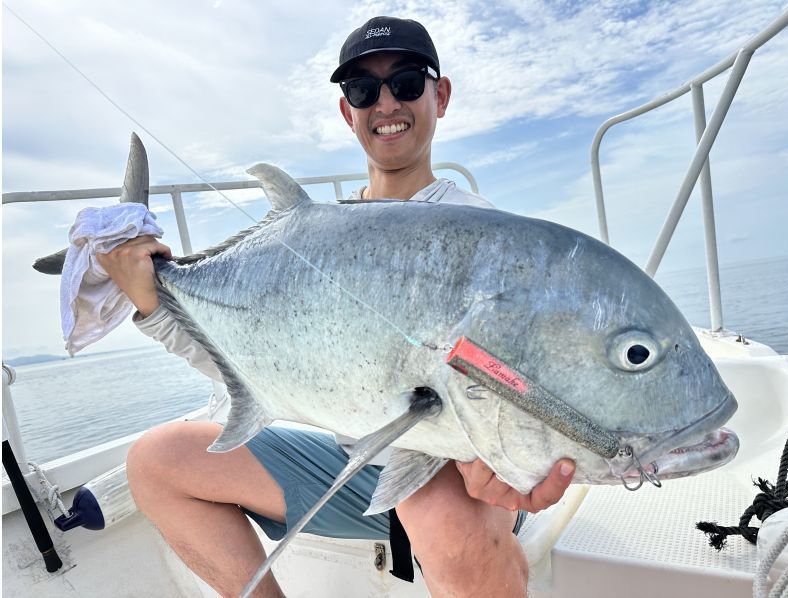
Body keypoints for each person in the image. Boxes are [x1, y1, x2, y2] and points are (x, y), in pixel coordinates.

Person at [98, 16, 575, 598]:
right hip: (344, 459)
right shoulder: (313, 240)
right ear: (347, 112)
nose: (386, 103)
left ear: (440, 95)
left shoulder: (486, 239)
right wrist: (151, 300)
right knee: (155, 461)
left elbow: (524, 387)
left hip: (449, 463)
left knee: (441, 512)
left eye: (405, 81)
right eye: (363, 90)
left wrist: (505, 461)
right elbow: (252, 364)